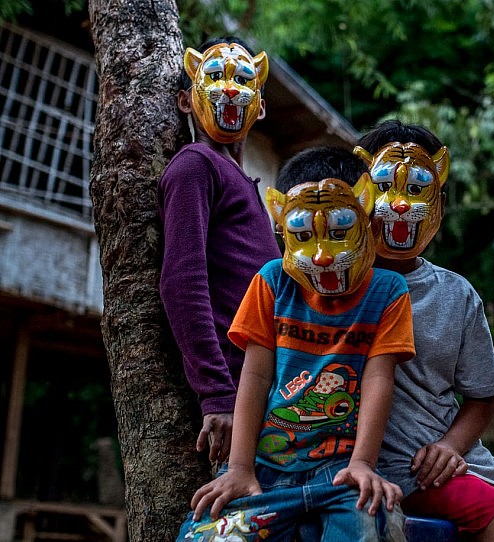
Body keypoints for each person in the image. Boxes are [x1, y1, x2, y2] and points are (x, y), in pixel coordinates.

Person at [176, 146, 415, 542]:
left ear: (366, 213)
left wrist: (363, 463)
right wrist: (239, 467)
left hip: (339, 472)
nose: (322, 257)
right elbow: (254, 374)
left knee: (378, 523)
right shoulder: (272, 281)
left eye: (339, 232)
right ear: (281, 225)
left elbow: (378, 379)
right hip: (267, 468)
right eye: (304, 236)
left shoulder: (388, 291)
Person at [355, 120, 494, 542]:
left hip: (438, 467)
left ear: (438, 200)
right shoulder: (329, 286)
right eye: (385, 187)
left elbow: (483, 397)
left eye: (416, 189)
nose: (400, 204)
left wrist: (449, 447)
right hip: (366, 470)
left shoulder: (457, 294)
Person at [158, 37, 281, 465]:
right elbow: (181, 283)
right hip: (235, 393)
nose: (230, 90)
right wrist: (217, 395)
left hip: (268, 390)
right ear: (185, 102)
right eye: (214, 77)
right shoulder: (195, 165)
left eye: (243, 80)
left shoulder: (237, 178)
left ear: (259, 106)